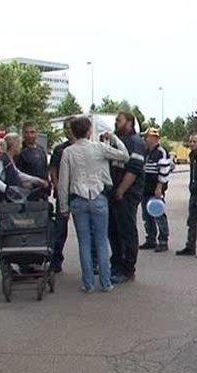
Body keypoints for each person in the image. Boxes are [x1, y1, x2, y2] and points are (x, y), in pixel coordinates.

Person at [58, 117, 129, 293]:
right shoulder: (99, 147)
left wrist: (63, 207)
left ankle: (88, 283)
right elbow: (124, 155)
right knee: (101, 241)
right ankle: (105, 283)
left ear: (73, 132)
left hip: (78, 199)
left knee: (84, 242)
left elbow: (62, 182)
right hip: (98, 196)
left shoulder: (68, 152)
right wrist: (113, 138)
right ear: (89, 131)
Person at [0, 133, 49, 272]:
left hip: (10, 202)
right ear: (13, 145)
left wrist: (37, 180)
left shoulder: (9, 159)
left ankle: (19, 262)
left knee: (13, 230)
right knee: (4, 231)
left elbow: (19, 175)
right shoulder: (2, 159)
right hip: (3, 202)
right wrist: (7, 189)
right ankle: (5, 264)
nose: (21, 145)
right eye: (19, 143)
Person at [109, 112, 146, 284]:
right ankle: (116, 264)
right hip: (114, 193)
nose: (116, 123)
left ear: (130, 123)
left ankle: (128, 268)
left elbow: (134, 170)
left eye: (119, 120)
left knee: (126, 231)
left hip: (127, 194)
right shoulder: (117, 141)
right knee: (114, 231)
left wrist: (121, 190)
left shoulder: (136, 142)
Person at [48, 117, 75, 273]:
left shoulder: (84, 147)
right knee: (60, 229)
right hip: (63, 194)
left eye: (70, 128)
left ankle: (94, 262)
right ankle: (56, 260)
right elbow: (53, 169)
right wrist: (58, 187)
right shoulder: (59, 149)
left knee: (85, 230)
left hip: (78, 193)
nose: (67, 131)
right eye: (65, 128)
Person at [139, 128, 171, 252]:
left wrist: (159, 187)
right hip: (145, 188)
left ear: (153, 138)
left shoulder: (161, 152)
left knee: (158, 214)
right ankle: (150, 239)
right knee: (146, 215)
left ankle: (163, 240)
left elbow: (164, 172)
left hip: (156, 189)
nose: (144, 139)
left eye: (146, 137)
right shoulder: (146, 152)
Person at [16, 121, 50, 201]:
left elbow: (45, 170)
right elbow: (16, 173)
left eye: (32, 132)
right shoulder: (18, 151)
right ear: (23, 133)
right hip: (26, 193)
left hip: (42, 192)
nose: (29, 135)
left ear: (37, 133)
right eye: (27, 132)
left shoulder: (41, 150)